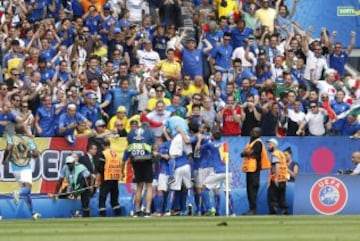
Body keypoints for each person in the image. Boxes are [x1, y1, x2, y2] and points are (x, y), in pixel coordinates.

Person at [2, 124, 41, 220]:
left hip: (15, 168)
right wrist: (31, 155)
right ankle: (18, 193)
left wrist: (5, 159)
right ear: (24, 130)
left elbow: (8, 148)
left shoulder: (11, 138)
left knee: (27, 192)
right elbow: (35, 153)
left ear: (15, 130)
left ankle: (33, 213)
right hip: (25, 167)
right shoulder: (28, 140)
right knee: (27, 188)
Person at [122, 122, 156, 217]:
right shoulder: (150, 132)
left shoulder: (131, 133)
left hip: (135, 161)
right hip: (147, 160)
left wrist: (122, 171)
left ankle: (137, 210)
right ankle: (148, 210)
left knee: (139, 187)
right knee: (149, 186)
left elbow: (127, 150)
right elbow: (154, 147)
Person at [241, 127, 270, 215]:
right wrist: (245, 153)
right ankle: (251, 209)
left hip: (254, 169)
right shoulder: (250, 142)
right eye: (252, 131)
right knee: (249, 190)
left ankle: (253, 209)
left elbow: (253, 153)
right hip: (249, 169)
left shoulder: (258, 142)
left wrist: (245, 154)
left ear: (258, 134)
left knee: (252, 189)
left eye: (255, 132)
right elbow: (244, 153)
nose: (252, 133)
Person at [97, 138, 122, 217]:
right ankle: (118, 214)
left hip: (107, 177)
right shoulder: (116, 153)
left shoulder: (104, 153)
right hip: (115, 177)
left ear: (102, 145)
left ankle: (103, 215)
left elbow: (100, 167)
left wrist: (99, 176)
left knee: (102, 197)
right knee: (114, 199)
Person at [267, 138, 288, 215]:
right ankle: (284, 211)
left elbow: (277, 165)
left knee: (272, 197)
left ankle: (273, 212)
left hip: (276, 179)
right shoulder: (281, 153)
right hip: (283, 179)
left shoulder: (275, 154)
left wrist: (275, 177)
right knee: (282, 197)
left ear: (275, 145)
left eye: (270, 144)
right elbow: (285, 167)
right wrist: (286, 179)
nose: (268, 146)